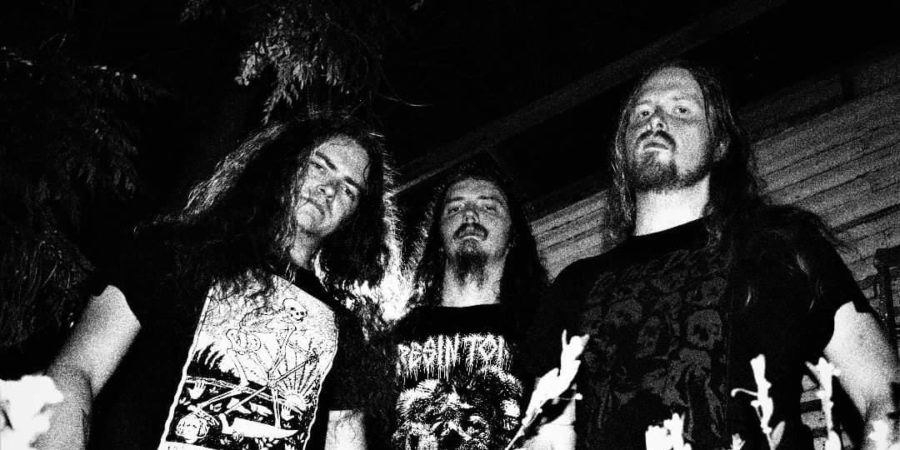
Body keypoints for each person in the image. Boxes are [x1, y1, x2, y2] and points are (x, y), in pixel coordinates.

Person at [525, 61, 900, 449]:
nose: (656, 120)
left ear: (719, 143)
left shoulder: (780, 246)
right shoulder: (575, 286)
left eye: (681, 109)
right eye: (642, 112)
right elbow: (548, 436)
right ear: (622, 147)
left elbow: (884, 395)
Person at [38, 114, 398, 450]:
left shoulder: (343, 328)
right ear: (285, 164)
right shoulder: (174, 255)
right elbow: (78, 370)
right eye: (319, 166)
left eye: (349, 189)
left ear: (355, 217)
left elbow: (343, 436)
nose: (329, 189)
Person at [388, 165, 548, 450]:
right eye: (455, 208)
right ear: (438, 238)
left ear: (513, 235)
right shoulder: (393, 338)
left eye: (488, 207)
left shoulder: (543, 329)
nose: (470, 215)